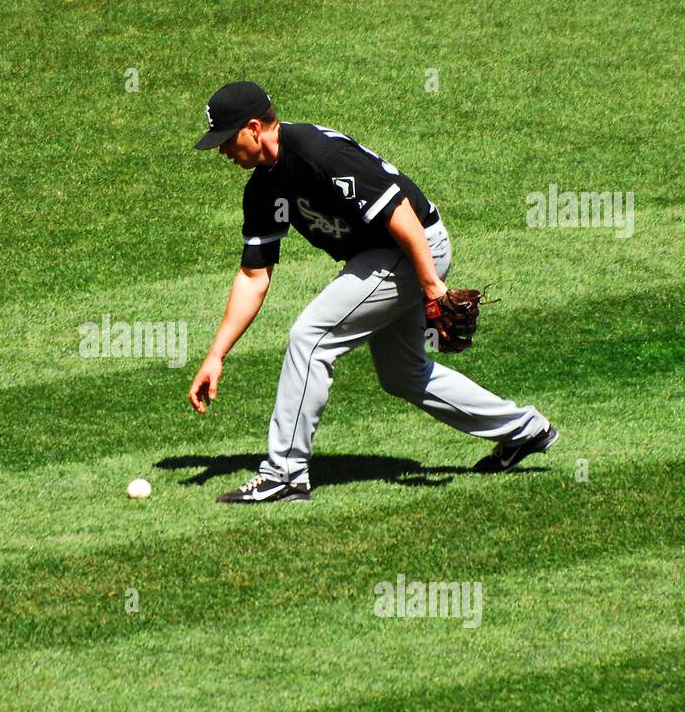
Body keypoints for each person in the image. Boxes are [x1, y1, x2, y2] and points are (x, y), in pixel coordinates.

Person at [188, 81, 557, 503]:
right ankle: (525, 431)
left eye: (226, 139)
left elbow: (398, 211)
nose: (222, 152)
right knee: (403, 373)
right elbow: (254, 276)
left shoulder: (317, 153)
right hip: (380, 255)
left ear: (254, 128)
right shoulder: (262, 188)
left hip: (410, 245)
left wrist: (433, 286)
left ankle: (285, 474)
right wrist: (216, 355)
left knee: (310, 338)